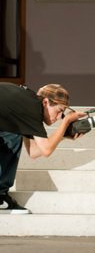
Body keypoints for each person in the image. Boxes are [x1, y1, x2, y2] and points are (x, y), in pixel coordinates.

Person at [0, 82, 86, 214]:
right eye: (59, 111)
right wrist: (66, 121)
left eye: (62, 115)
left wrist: (62, 135)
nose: (58, 118)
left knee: (13, 136)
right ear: (46, 102)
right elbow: (46, 151)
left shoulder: (27, 106)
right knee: (12, 137)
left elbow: (34, 152)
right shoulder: (32, 107)